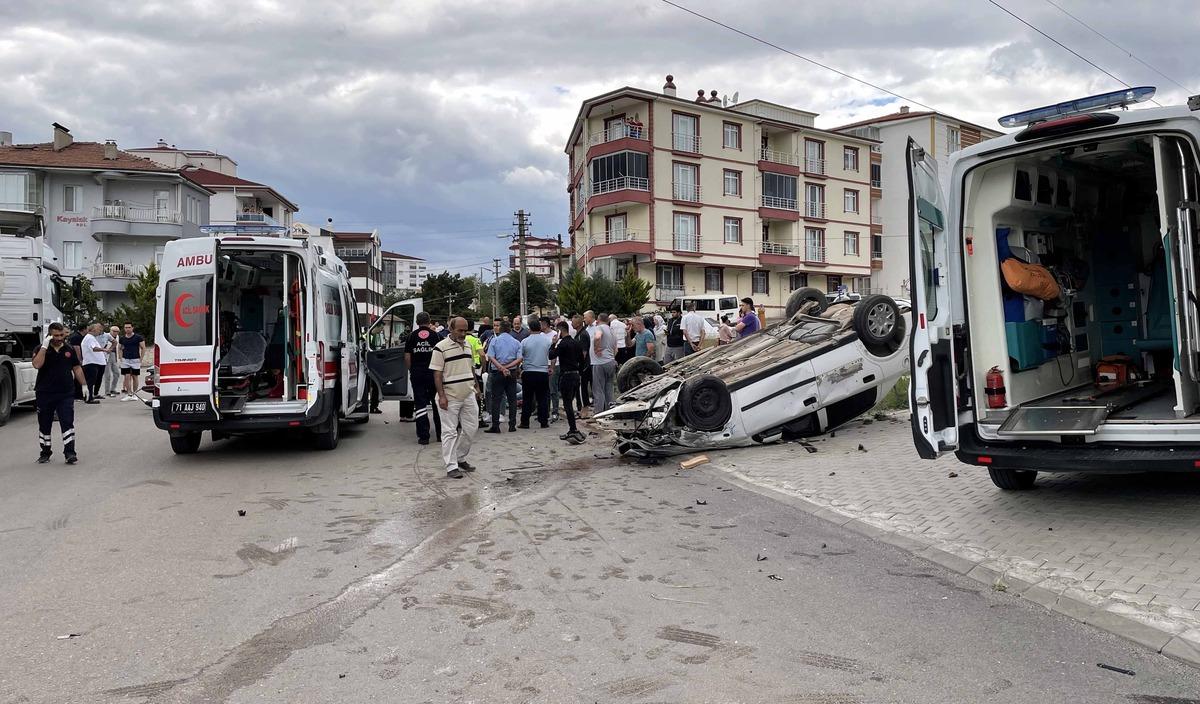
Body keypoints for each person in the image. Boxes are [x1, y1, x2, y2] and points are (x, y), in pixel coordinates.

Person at [431, 317, 480, 479]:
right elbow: (437, 374)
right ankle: (451, 466)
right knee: (449, 432)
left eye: (465, 330)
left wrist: (476, 386)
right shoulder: (440, 348)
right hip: (449, 396)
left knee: (471, 428)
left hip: (468, 394)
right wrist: (442, 396)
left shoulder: (467, 345)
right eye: (460, 330)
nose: (463, 334)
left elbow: (470, 367)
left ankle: (460, 457)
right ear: (451, 329)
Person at [32, 322, 88, 464]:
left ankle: (70, 453)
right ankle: (45, 452)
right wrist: (44, 347)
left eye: (61, 335)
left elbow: (77, 368)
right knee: (44, 424)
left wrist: (84, 385)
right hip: (45, 392)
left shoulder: (69, 349)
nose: (59, 338)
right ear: (50, 335)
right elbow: (37, 364)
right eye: (55, 335)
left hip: (65, 392)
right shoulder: (40, 348)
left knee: (67, 422)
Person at [404, 311, 443, 445]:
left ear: (416, 322)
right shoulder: (436, 336)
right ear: (430, 321)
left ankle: (424, 436)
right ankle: (440, 434)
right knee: (437, 403)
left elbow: (407, 356)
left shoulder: (411, 336)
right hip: (434, 374)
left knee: (420, 404)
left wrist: (411, 370)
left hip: (417, 373)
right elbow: (441, 355)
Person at [549, 320, 585, 444]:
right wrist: (578, 371)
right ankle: (573, 428)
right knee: (570, 402)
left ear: (560, 331)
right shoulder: (576, 343)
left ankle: (573, 429)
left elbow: (551, 355)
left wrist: (553, 343)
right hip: (575, 375)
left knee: (567, 404)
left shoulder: (562, 344)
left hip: (566, 376)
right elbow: (582, 360)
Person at [484, 320, 522, 433]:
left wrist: (501, 368)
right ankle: (512, 425)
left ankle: (495, 425)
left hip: (497, 373)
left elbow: (491, 357)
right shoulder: (516, 342)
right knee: (512, 399)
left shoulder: (495, 341)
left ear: (500, 329)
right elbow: (519, 358)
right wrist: (508, 367)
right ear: (510, 329)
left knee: (496, 399)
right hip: (512, 373)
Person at [518, 319, 552, 429]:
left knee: (527, 398)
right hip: (542, 372)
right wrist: (550, 367)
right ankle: (544, 421)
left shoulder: (525, 341)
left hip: (528, 372)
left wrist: (520, 370)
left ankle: (525, 422)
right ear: (540, 327)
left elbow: (520, 357)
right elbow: (551, 355)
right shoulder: (547, 340)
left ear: (530, 328)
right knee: (542, 398)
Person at [590, 311, 617, 415]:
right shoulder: (611, 331)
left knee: (598, 389)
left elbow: (597, 337)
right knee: (609, 387)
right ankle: (610, 411)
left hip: (599, 362)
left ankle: (599, 412)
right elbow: (616, 349)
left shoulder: (599, 328)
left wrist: (597, 349)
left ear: (598, 319)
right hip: (610, 361)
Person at [81, 323, 107, 403]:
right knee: (90, 381)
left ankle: (90, 396)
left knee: (92, 381)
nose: (100, 332)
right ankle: (89, 398)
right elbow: (94, 348)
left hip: (94, 362)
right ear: (93, 330)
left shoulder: (91, 338)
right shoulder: (90, 338)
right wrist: (104, 349)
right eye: (99, 330)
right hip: (91, 362)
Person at [118, 322, 146, 401]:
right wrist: (120, 358)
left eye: (129, 327)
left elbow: (143, 348)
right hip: (125, 360)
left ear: (132, 328)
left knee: (135, 376)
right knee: (127, 376)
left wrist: (141, 359)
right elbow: (119, 348)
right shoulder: (122, 338)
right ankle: (129, 394)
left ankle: (134, 394)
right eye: (126, 327)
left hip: (135, 359)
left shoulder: (138, 337)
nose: (127, 329)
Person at [540, 316, 560, 422]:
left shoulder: (554, 335)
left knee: (553, 389)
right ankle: (545, 411)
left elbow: (554, 352)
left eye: (541, 324)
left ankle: (555, 411)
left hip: (553, 364)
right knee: (545, 390)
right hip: (543, 364)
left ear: (545, 324)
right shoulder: (541, 335)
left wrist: (552, 366)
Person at [573, 314, 591, 414]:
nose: (571, 324)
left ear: (578, 323)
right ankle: (581, 408)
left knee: (581, 388)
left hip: (583, 366)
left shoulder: (583, 335)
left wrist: (578, 364)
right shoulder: (579, 334)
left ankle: (584, 410)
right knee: (580, 388)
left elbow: (584, 352)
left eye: (573, 322)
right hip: (582, 365)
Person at [102, 325, 121, 397]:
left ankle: (113, 388)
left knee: (117, 373)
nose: (115, 333)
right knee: (107, 375)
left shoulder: (118, 337)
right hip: (106, 355)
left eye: (117, 331)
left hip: (114, 355)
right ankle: (107, 391)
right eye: (114, 331)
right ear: (110, 331)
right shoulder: (106, 336)